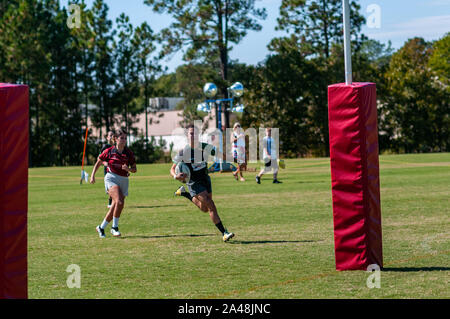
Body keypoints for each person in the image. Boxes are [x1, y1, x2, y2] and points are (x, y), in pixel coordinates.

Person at [172, 124, 235, 242]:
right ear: (187, 135)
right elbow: (172, 169)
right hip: (194, 182)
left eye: (195, 133)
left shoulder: (204, 147)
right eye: (191, 133)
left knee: (204, 208)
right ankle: (224, 232)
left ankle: (184, 193)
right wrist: (176, 176)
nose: (193, 136)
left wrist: (236, 161)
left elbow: (220, 154)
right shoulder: (183, 152)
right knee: (211, 205)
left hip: (205, 179)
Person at [90, 129, 137, 238]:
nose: (124, 140)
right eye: (122, 138)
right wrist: (92, 175)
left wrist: (128, 169)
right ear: (115, 139)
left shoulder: (128, 152)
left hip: (124, 180)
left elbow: (135, 169)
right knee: (119, 201)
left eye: (125, 138)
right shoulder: (109, 151)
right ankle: (114, 228)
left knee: (116, 205)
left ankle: (101, 227)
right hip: (111, 178)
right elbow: (99, 162)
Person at [100, 131, 115, 208]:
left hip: (116, 170)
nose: (112, 136)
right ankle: (110, 203)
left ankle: (112, 203)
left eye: (113, 135)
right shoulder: (105, 147)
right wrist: (104, 162)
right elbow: (99, 158)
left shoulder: (117, 147)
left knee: (115, 187)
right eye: (110, 135)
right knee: (110, 188)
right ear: (107, 137)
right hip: (108, 170)